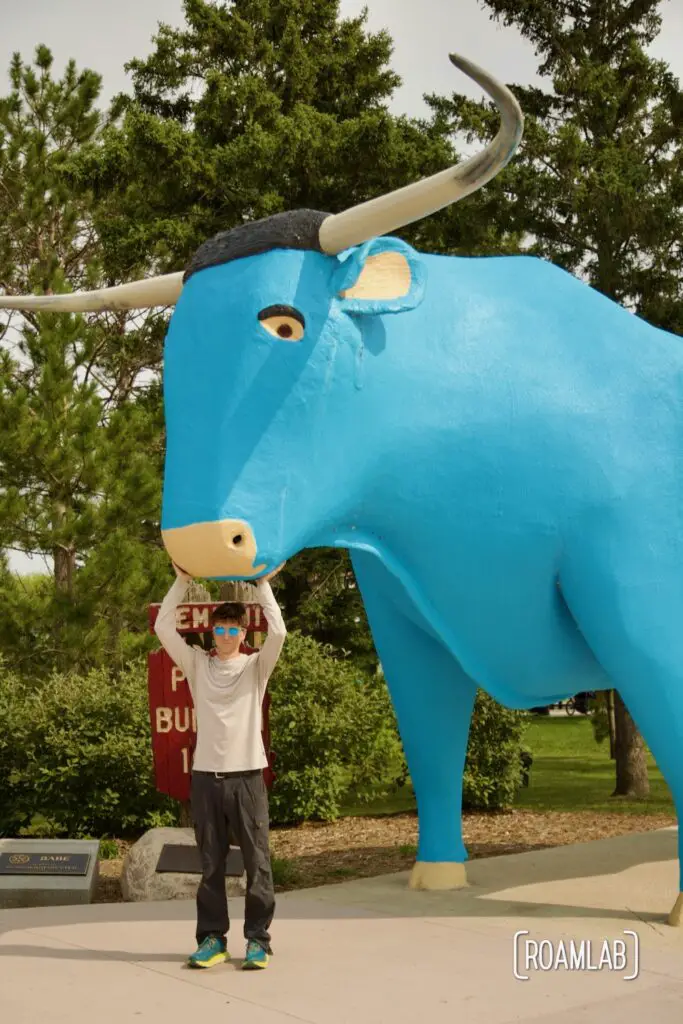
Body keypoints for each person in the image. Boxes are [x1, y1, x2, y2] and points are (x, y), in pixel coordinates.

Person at [154, 559, 287, 971]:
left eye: (233, 629)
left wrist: (262, 585)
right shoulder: (197, 664)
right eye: (221, 629)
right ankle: (213, 939)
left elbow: (279, 632)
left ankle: (258, 941)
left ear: (243, 634)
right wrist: (182, 580)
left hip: (247, 778)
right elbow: (162, 627)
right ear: (213, 631)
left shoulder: (255, 668)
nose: (226, 635)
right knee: (210, 865)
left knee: (257, 862)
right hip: (206, 779)